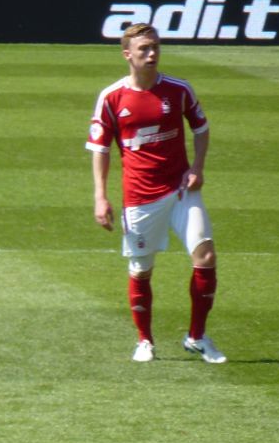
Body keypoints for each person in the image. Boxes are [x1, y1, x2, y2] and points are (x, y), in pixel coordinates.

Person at [86, 23, 225, 364]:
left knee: (205, 256)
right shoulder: (111, 97)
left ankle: (197, 336)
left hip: (180, 190)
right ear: (127, 54)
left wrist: (197, 167)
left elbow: (202, 129)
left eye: (155, 47)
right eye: (144, 48)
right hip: (140, 198)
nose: (152, 53)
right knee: (141, 270)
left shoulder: (178, 90)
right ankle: (144, 340)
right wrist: (100, 197)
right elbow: (100, 149)